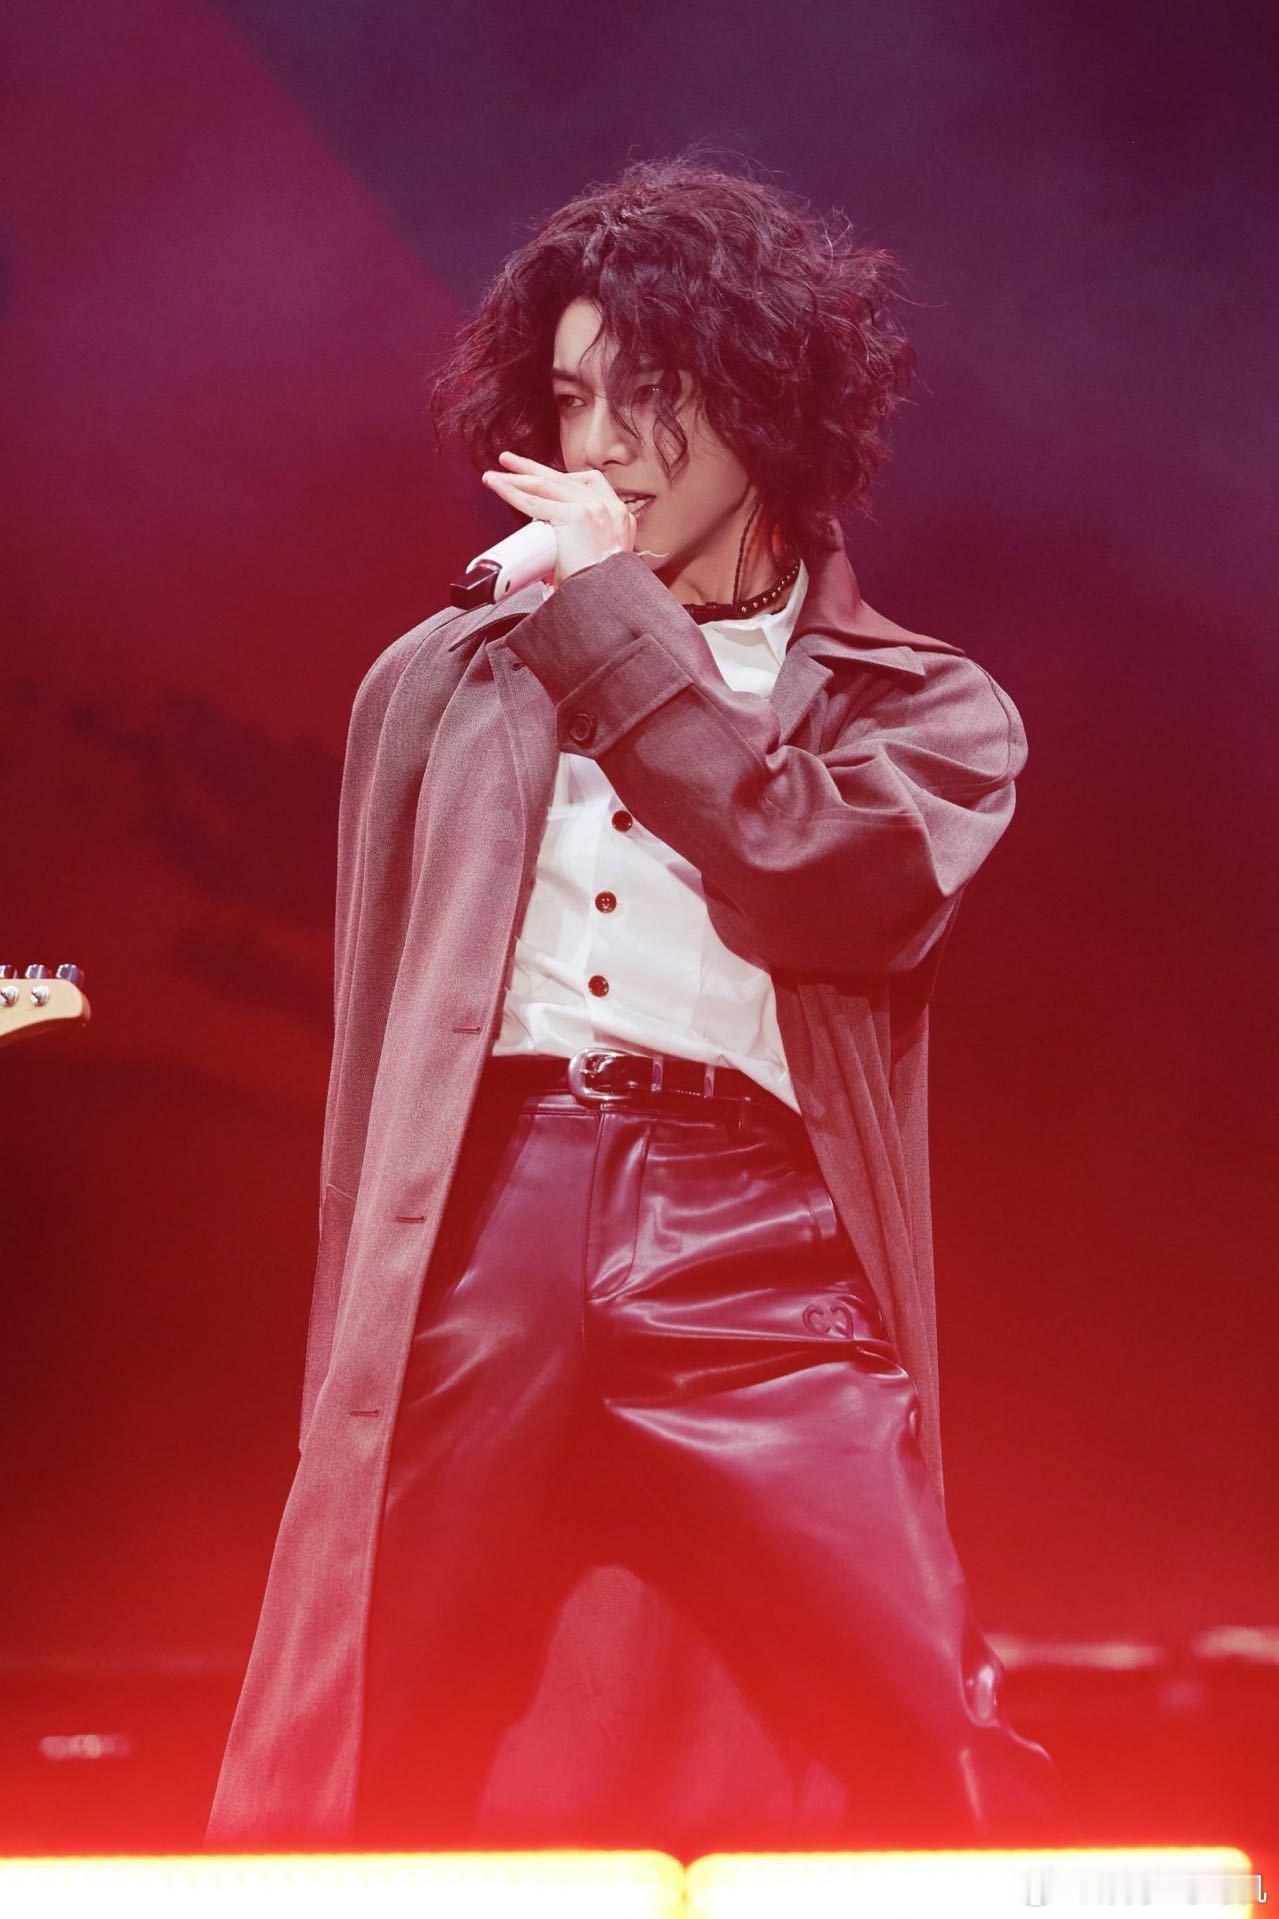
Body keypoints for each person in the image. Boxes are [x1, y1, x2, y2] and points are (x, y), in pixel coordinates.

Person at [205, 150, 1062, 1855]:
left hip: (752, 1238)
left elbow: (815, 880)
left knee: (925, 1722)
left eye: (652, 396)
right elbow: (381, 1046)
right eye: (575, 398)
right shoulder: (444, 678)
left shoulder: (919, 706)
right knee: (379, 1715)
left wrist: (606, 623)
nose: (600, 447)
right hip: (485, 1216)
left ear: (764, 404)